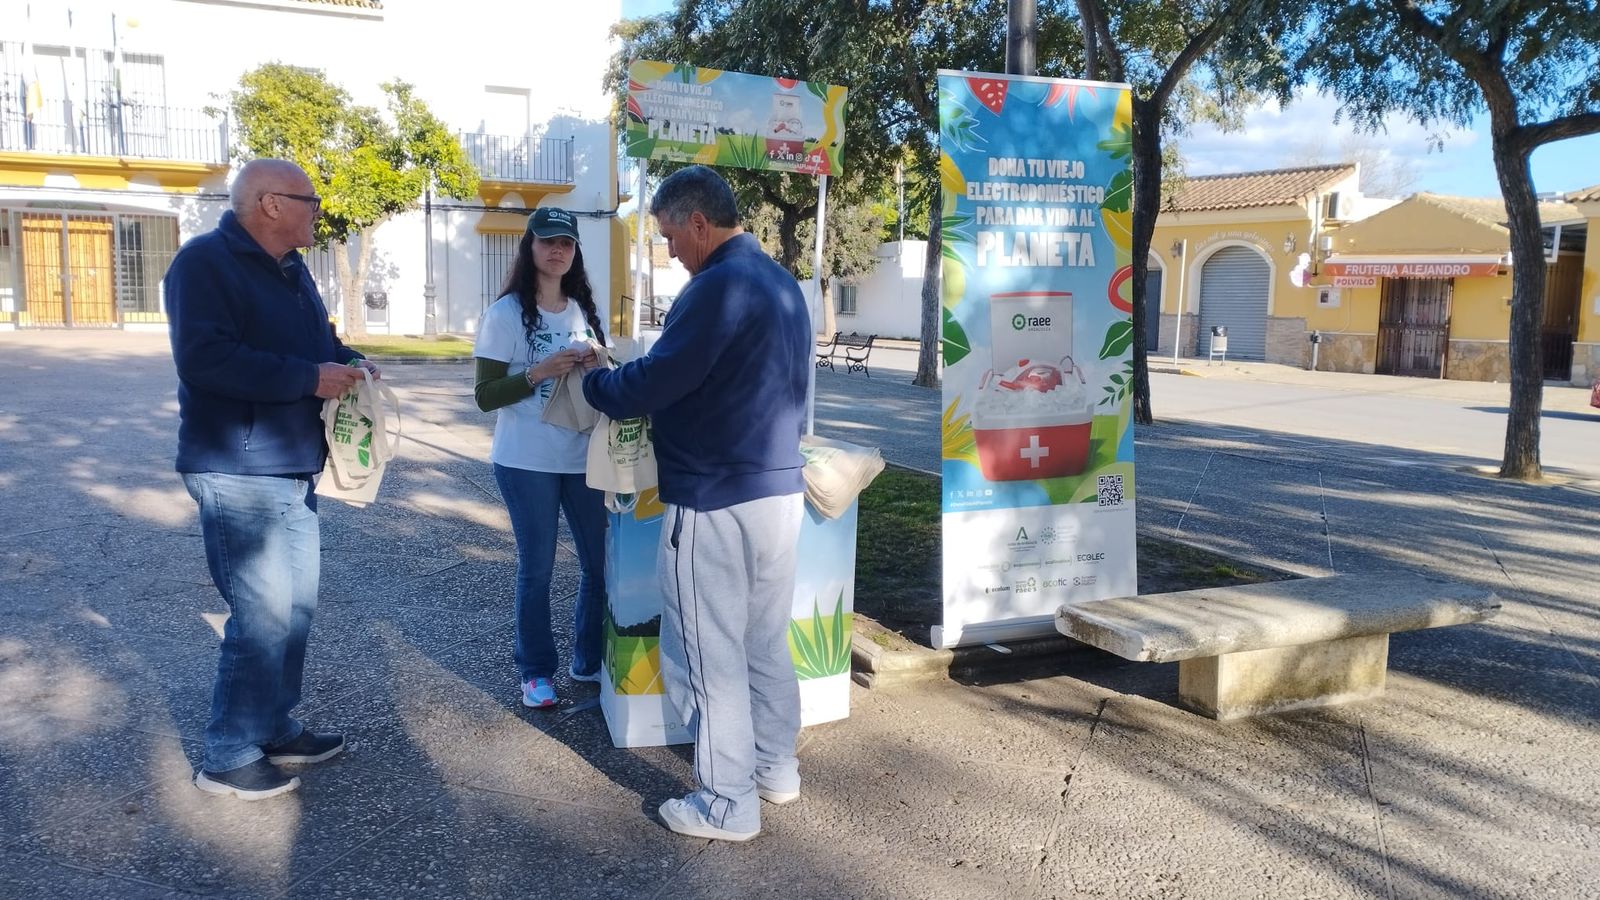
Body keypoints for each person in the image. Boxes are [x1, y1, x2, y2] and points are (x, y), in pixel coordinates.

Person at [582, 165, 811, 842]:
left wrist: (598, 382)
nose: (670, 250)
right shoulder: (781, 282)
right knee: (764, 641)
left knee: (707, 655)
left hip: (713, 498)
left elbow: (659, 379)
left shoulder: (717, 286)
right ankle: (775, 768)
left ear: (699, 224)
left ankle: (726, 803)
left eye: (670, 235)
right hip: (776, 492)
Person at [166, 158, 377, 800]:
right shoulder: (204, 263)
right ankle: (227, 755)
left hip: (291, 466)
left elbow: (317, 343)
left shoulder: (291, 268)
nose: (318, 211)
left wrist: (347, 361)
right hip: (236, 468)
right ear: (269, 204)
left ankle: (273, 727)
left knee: (295, 610)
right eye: (309, 200)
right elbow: (205, 359)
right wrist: (311, 378)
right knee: (260, 615)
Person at [474, 207, 607, 709]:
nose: (557, 250)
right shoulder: (505, 314)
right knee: (538, 569)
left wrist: (597, 361)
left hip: (582, 456)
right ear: (529, 246)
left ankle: (587, 659)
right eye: (548, 241)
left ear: (575, 253)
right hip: (526, 460)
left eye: (566, 243)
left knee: (600, 564)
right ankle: (535, 671)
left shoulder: (581, 310)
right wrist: (539, 371)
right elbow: (485, 396)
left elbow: (601, 378)